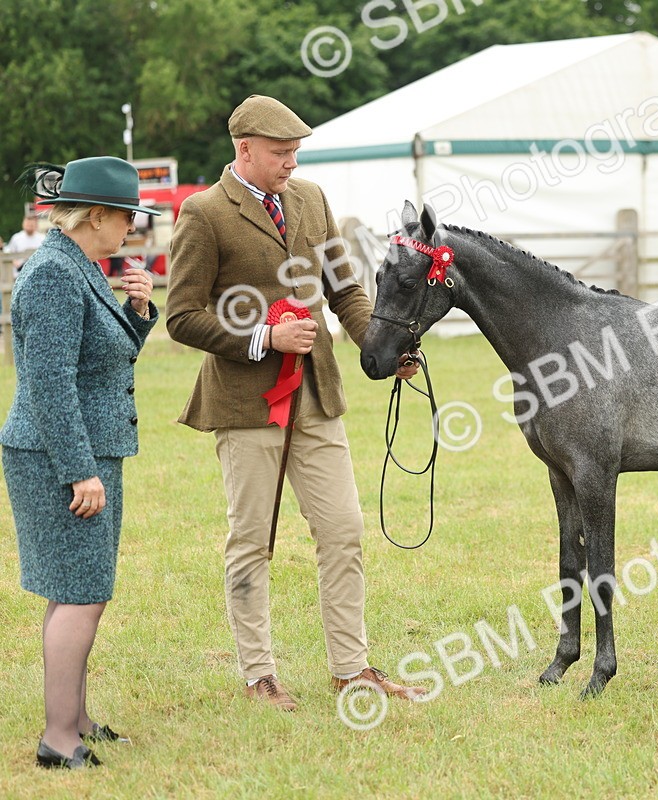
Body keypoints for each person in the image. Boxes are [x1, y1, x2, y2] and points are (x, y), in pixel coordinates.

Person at [166, 95, 425, 710]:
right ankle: (259, 676)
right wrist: (262, 338)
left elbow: (344, 289)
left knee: (343, 531)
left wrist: (382, 348)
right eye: (280, 154)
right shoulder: (203, 214)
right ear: (244, 150)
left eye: (296, 153)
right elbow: (180, 316)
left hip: (317, 397)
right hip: (245, 402)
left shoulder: (311, 199)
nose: (291, 163)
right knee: (252, 539)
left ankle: (351, 668)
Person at [1, 157, 160, 769]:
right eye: (127, 217)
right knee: (80, 594)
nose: (132, 229)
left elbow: (101, 359)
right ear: (96, 215)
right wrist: (78, 468)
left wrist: (138, 316)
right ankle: (58, 738)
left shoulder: (78, 266)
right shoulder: (52, 275)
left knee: (79, 589)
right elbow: (49, 384)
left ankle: (77, 718)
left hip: (81, 450)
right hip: (60, 456)